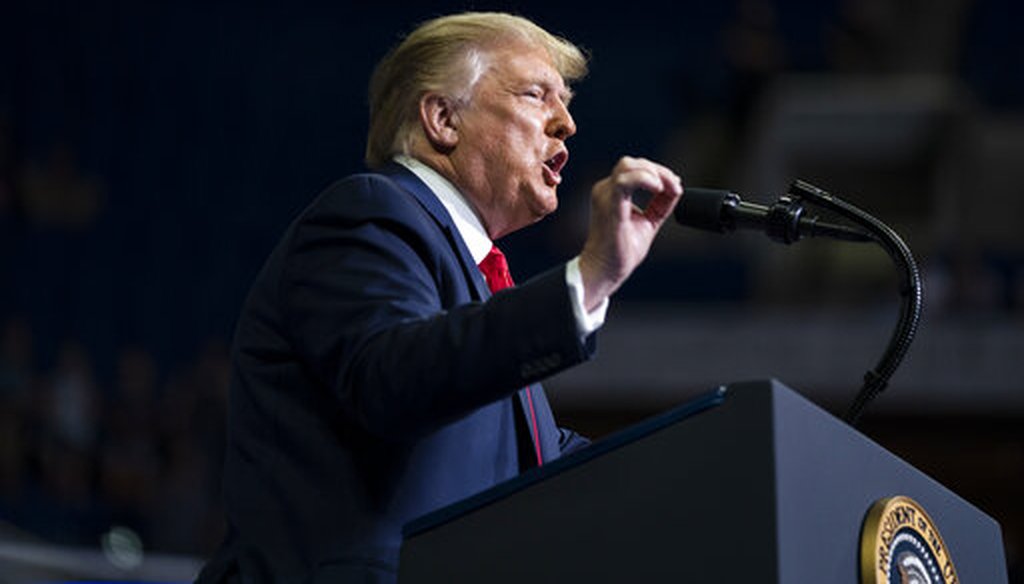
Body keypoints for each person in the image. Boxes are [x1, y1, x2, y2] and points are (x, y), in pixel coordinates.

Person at [197, 12, 683, 583]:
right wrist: (592, 276)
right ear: (443, 119)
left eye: (567, 101)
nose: (567, 124)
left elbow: (540, 463)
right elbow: (395, 377)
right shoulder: (371, 212)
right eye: (536, 95)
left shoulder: (473, 284)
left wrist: (699, 474)